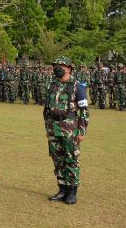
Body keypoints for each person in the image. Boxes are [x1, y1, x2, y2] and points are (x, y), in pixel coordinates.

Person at [44, 56, 89, 205]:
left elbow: (84, 110)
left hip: (70, 129)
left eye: (61, 65)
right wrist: (47, 128)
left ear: (69, 68)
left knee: (71, 160)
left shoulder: (78, 86)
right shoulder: (52, 85)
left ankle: (72, 192)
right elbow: (47, 109)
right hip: (53, 128)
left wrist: (82, 131)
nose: (58, 67)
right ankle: (62, 189)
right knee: (58, 161)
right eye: (56, 65)